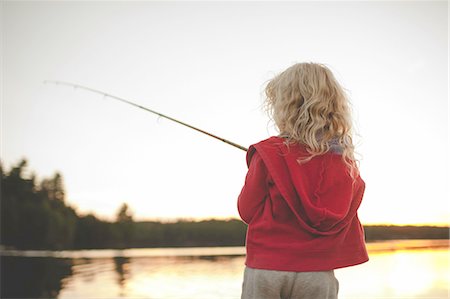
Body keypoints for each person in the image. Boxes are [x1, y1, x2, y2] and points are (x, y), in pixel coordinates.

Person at [238, 62, 369, 299]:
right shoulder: (345, 163)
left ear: (283, 107)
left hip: (268, 268)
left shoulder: (267, 152)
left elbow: (247, 210)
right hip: (318, 274)